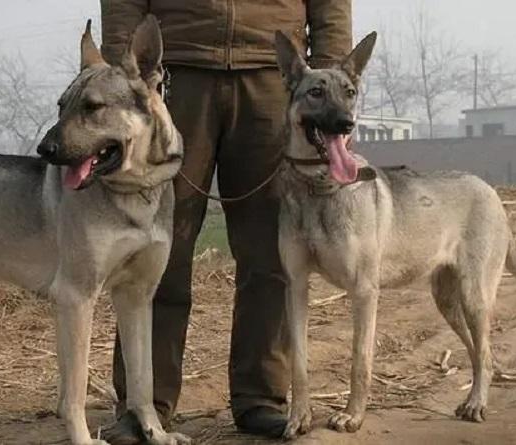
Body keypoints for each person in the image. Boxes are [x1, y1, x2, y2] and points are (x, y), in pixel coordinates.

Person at [100, 0, 353, 441]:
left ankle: (262, 396)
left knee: (272, 248)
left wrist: (328, 81)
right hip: (177, 70)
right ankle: (144, 405)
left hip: (272, 73)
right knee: (159, 247)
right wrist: (124, 72)